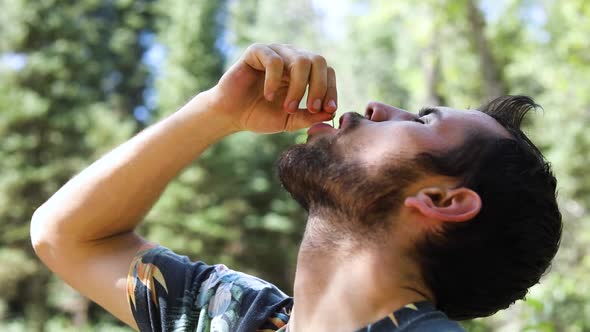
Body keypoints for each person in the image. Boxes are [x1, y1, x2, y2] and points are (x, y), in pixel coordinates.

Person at [30, 43, 562, 332]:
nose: (378, 108)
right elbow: (68, 236)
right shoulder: (242, 318)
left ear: (443, 202)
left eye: (423, 121)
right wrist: (216, 113)